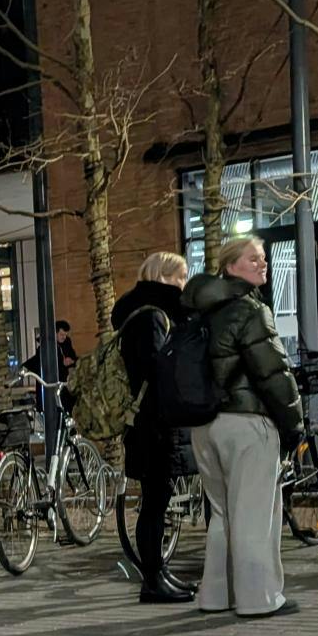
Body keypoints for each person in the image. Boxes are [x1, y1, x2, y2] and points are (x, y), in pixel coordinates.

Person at [181, 235, 303, 617]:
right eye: (253, 259)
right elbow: (272, 374)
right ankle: (258, 599)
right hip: (247, 422)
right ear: (231, 266)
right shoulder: (250, 310)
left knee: (222, 513)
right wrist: (294, 425)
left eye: (263, 258)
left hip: (204, 425)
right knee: (254, 514)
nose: (262, 264)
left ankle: (215, 595)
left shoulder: (198, 310)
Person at [113, 252, 194, 604]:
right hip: (152, 424)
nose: (185, 283)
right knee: (154, 504)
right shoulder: (151, 317)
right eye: (181, 276)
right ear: (164, 277)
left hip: (148, 423)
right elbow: (155, 370)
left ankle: (158, 572)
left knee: (155, 503)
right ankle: (151, 580)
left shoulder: (141, 312)